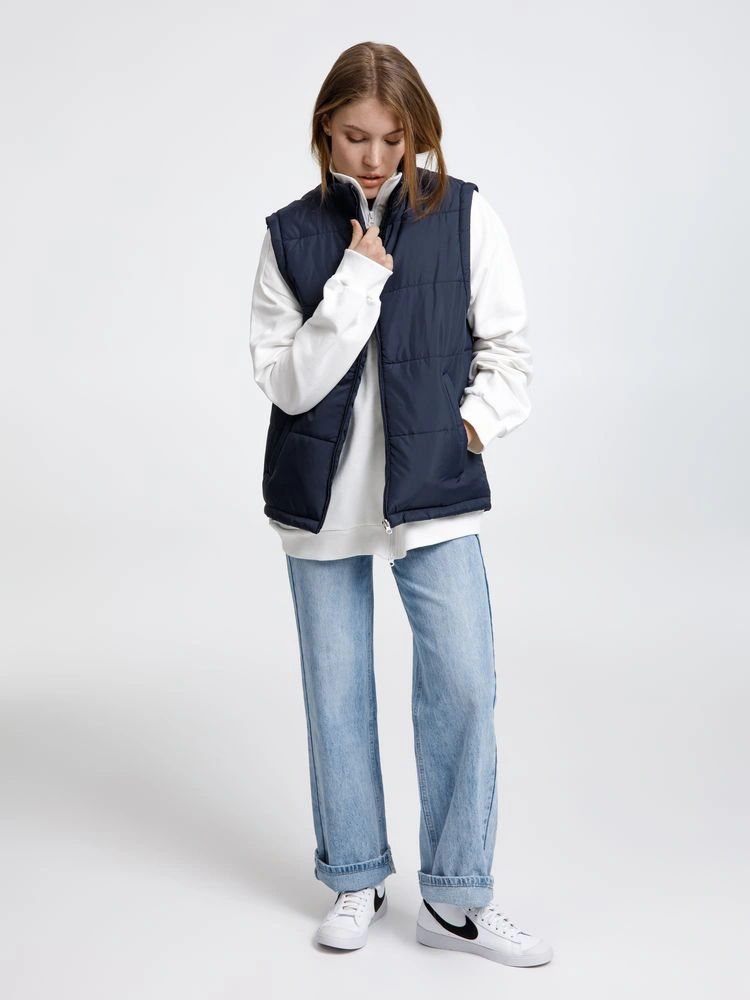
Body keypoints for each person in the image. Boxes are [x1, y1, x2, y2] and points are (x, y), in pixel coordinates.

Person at [249, 41, 552, 967]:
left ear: (419, 133)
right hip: (322, 503)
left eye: (394, 138)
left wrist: (468, 431)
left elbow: (509, 351)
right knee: (336, 692)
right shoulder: (290, 236)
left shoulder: (465, 215)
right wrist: (355, 281)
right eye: (356, 137)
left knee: (464, 683)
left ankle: (455, 900)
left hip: (434, 494)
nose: (376, 158)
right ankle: (356, 874)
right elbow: (288, 385)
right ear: (324, 134)